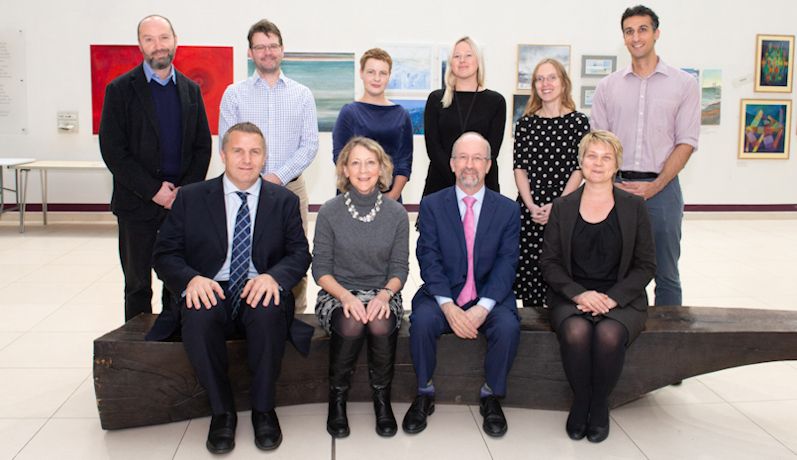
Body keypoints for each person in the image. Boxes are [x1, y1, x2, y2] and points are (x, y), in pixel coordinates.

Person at [152, 122, 311, 454]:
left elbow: (299, 254)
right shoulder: (192, 198)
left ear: (264, 157)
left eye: (255, 152)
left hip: (259, 286)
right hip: (210, 285)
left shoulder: (281, 200)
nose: (246, 159)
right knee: (198, 310)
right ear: (223, 155)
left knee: (268, 308)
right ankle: (222, 412)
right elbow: (165, 253)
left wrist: (274, 277)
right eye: (238, 151)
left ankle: (264, 411)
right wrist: (191, 280)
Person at [540, 130, 656, 443]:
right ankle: (581, 401)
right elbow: (549, 263)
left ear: (617, 163)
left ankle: (600, 403)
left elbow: (646, 265)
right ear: (581, 161)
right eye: (592, 156)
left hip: (622, 296)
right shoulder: (563, 206)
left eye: (606, 157)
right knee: (577, 331)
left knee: (608, 333)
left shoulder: (634, 206)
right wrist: (580, 294)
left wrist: (613, 299)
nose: (598, 163)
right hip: (572, 293)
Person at [403, 132, 520, 438]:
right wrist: (449, 306)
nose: (470, 165)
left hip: (489, 296)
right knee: (423, 320)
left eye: (478, 158)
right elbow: (428, 257)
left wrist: (482, 309)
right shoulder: (431, 205)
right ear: (453, 164)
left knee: (507, 326)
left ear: (489, 165)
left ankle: (492, 396)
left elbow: (507, 263)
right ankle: (424, 392)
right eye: (464, 158)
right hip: (444, 293)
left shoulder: (507, 210)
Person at [99, 14, 211, 326]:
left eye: (163, 38)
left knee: (176, 282)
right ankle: (136, 353)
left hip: (179, 206)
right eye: (149, 39)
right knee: (137, 285)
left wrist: (181, 193)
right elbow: (113, 151)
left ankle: (171, 345)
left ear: (175, 40)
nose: (157, 46)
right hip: (136, 205)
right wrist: (153, 191)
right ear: (140, 45)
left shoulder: (190, 90)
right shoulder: (120, 90)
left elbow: (202, 146)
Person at [590, 4, 699, 306]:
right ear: (623, 37)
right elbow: (599, 143)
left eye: (642, 29)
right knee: (615, 273)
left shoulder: (684, 85)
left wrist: (656, 186)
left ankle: (668, 348)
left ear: (656, 33)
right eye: (629, 31)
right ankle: (618, 341)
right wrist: (611, 185)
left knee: (666, 275)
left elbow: (686, 142)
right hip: (616, 189)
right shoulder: (608, 87)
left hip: (662, 191)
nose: (635, 37)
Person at [219, 18, 319, 312]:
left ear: (282, 50)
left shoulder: (301, 94)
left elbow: (310, 144)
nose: (267, 52)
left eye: (272, 45)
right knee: (246, 254)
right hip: (243, 188)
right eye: (260, 47)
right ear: (250, 53)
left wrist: (277, 177)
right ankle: (244, 313)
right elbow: (227, 146)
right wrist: (255, 179)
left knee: (295, 255)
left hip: (291, 187)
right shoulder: (234, 94)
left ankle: (296, 314)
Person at [313, 137, 409, 438]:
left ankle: (382, 400)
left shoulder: (396, 214)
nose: (363, 169)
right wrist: (344, 297)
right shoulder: (329, 211)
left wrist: (384, 295)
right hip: (336, 293)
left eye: (370, 162)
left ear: (381, 169)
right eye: (355, 162)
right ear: (345, 168)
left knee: (380, 322)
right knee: (353, 320)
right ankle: (337, 400)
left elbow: (399, 270)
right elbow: (321, 270)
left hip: (383, 292)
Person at [513, 58, 590, 308]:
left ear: (563, 83)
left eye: (551, 77)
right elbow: (520, 168)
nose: (545, 84)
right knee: (531, 277)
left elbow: (579, 169)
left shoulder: (579, 123)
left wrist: (558, 205)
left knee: (562, 272)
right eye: (539, 79)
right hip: (530, 210)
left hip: (566, 209)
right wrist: (531, 206)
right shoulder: (526, 124)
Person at [422, 37, 506, 196]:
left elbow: (492, 149)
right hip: (441, 183)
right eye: (456, 56)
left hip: (482, 183)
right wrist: (457, 175)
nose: (462, 60)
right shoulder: (436, 99)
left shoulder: (496, 101)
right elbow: (433, 147)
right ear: (450, 63)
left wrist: (469, 175)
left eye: (468, 55)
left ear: (478, 61)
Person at [332, 48, 413, 201]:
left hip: (390, 197)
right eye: (371, 72)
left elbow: (405, 163)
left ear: (389, 76)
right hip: (351, 196)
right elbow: (340, 157)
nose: (377, 78)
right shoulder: (349, 112)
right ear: (361, 73)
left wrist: (392, 197)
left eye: (382, 73)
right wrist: (361, 196)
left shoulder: (401, 115)